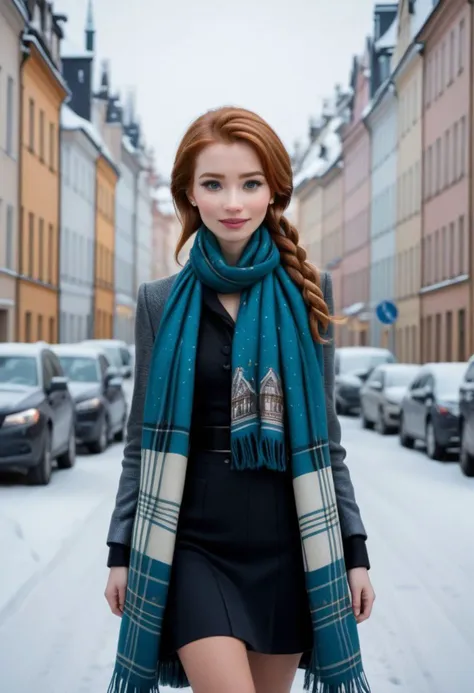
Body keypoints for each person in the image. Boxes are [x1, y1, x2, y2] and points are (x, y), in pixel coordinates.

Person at [104, 106, 375, 693]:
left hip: (289, 541)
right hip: (193, 544)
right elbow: (138, 443)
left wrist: (354, 550)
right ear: (188, 195)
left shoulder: (309, 294)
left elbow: (326, 440)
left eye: (250, 184)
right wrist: (120, 548)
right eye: (213, 184)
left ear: (273, 192)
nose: (233, 202)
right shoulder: (159, 302)